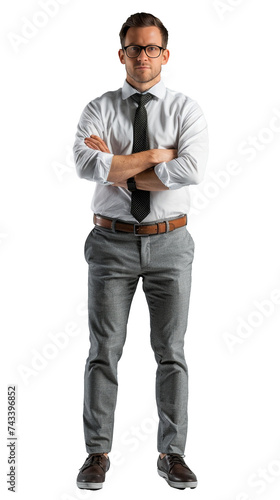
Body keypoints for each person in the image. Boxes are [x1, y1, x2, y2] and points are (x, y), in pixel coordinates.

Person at [73, 12, 208, 490]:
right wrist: (156, 155)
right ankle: (97, 454)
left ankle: (172, 454)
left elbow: (191, 168)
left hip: (171, 244)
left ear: (165, 55)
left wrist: (118, 162)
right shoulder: (99, 108)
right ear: (122, 53)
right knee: (103, 351)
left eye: (152, 48)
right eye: (135, 48)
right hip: (110, 244)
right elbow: (86, 163)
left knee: (171, 351)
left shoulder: (186, 109)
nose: (144, 56)